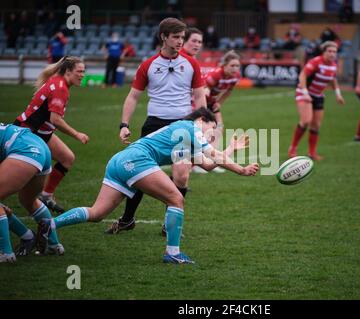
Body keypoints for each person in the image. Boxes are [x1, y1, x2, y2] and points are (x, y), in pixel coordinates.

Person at [36, 108, 259, 264]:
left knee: (97, 213)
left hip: (119, 161)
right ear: (202, 119)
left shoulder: (185, 140)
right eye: (211, 130)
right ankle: (173, 253)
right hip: (137, 159)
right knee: (176, 199)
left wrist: (231, 149)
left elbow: (210, 164)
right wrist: (241, 170)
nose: (211, 136)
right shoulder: (190, 128)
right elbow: (214, 154)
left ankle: (50, 225)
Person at [105, 18, 207, 235]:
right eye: (176, 37)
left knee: (182, 175)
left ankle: (169, 223)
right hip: (154, 125)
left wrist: (201, 123)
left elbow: (199, 95)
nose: (180, 41)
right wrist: (124, 124)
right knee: (140, 175)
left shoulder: (191, 64)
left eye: (182, 37)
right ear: (163, 37)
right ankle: (127, 219)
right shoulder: (148, 65)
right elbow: (133, 97)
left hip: (182, 125)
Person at [13, 56, 90, 213]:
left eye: (84, 71)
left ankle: (46, 196)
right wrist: (77, 134)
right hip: (28, 133)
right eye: (79, 71)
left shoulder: (58, 81)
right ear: (68, 71)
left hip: (41, 132)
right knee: (21, 179)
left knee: (67, 158)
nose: (82, 75)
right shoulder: (60, 87)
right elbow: (55, 119)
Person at [0, 124, 64, 263]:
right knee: (28, 200)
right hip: (40, 147)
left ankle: (5, 253)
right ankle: (53, 244)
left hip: (25, 151)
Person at [288, 41, 345, 161]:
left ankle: (312, 153)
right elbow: (302, 76)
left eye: (334, 52)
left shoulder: (333, 65)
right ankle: (293, 148)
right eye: (329, 51)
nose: (332, 54)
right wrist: (305, 93)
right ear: (323, 52)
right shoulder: (315, 62)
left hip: (318, 95)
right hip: (304, 93)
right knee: (306, 121)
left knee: (316, 125)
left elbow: (333, 79)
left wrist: (338, 94)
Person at [201, 50, 241, 166]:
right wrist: (204, 111)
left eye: (237, 66)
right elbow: (204, 91)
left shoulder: (235, 76)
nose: (235, 68)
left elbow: (229, 91)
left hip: (211, 103)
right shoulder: (216, 75)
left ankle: (212, 160)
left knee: (219, 129)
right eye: (232, 65)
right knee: (203, 131)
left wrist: (219, 103)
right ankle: (198, 163)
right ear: (224, 65)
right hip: (200, 103)